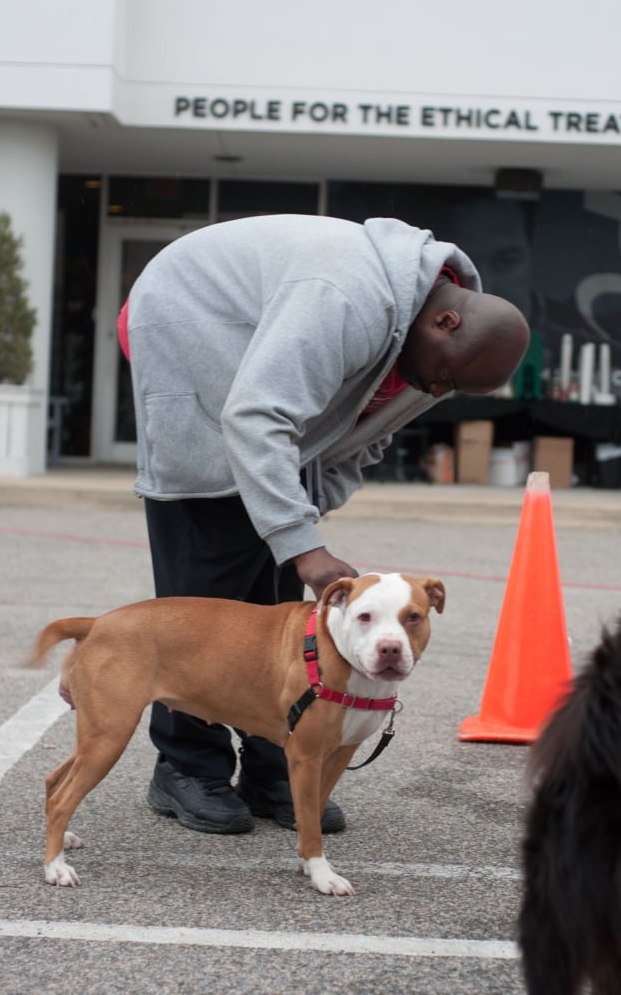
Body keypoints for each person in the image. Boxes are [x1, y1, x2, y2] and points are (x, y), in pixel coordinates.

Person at [119, 213, 529, 837]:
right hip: (189, 318)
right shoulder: (345, 297)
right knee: (204, 597)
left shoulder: (435, 341)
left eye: (452, 389)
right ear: (445, 321)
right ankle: (186, 768)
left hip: (262, 380)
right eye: (445, 379)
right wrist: (302, 543)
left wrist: (301, 517)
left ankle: (274, 767)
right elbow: (254, 416)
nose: (438, 390)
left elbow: (362, 442)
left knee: (273, 607)